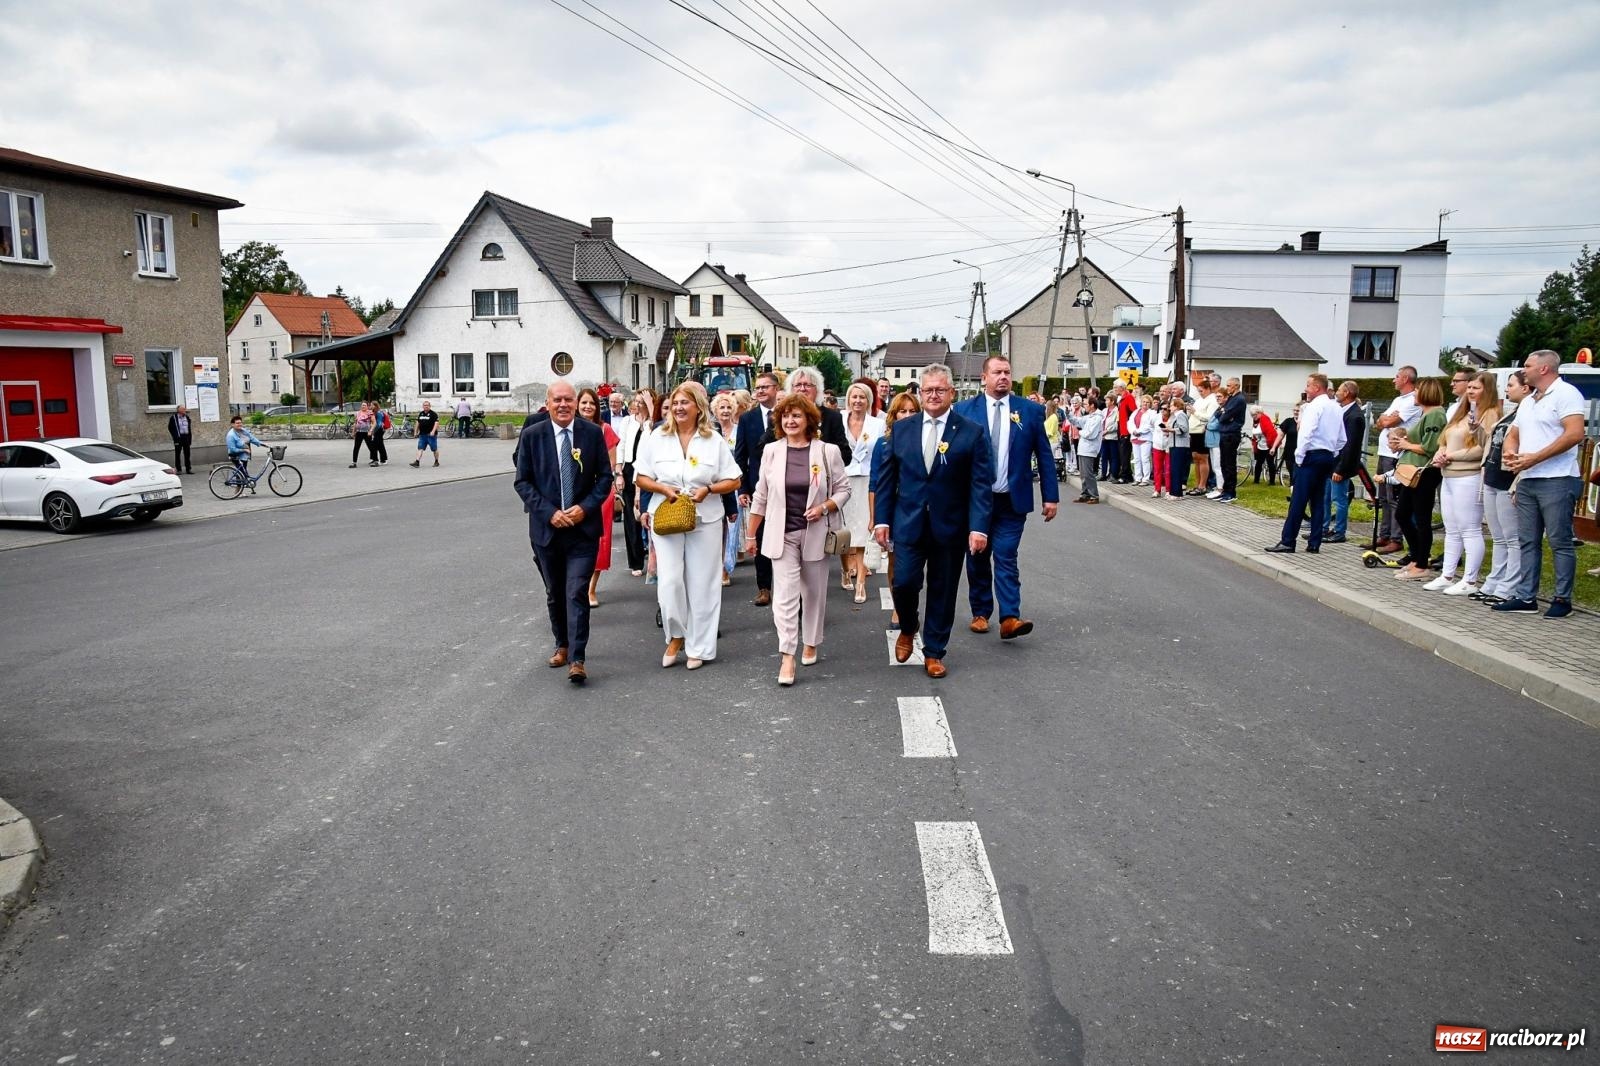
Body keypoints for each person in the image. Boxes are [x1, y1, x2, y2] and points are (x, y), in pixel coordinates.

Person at [873, 364, 991, 679]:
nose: (934, 395)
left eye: (940, 389)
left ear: (951, 393)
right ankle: (909, 627)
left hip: (950, 527)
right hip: (908, 523)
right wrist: (881, 520)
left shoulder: (971, 431)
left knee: (943, 590)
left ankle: (935, 651)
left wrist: (978, 527)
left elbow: (980, 484)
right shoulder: (902, 429)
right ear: (920, 393)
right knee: (905, 582)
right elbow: (887, 481)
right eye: (928, 390)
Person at [634, 383, 742, 668]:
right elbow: (641, 477)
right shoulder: (657, 437)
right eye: (676, 403)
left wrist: (709, 488)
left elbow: (734, 479)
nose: (679, 408)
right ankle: (676, 635)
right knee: (669, 582)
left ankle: (700, 647)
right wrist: (663, 489)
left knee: (703, 583)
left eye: (686, 403)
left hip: (705, 517)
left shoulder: (713, 440)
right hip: (667, 515)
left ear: (698, 408)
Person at [513, 381, 614, 684]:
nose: (564, 404)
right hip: (547, 531)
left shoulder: (592, 433)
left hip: (582, 530)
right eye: (557, 400)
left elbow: (604, 478)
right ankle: (562, 643)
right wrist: (549, 513)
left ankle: (578, 658)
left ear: (575, 402)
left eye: (568, 399)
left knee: (576, 592)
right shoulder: (533, 435)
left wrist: (584, 508)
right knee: (555, 593)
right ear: (548, 402)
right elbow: (523, 482)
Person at [746, 394, 851, 685]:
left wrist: (824, 507)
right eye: (785, 416)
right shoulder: (771, 451)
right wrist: (751, 533)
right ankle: (787, 655)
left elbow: (843, 490)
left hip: (816, 532)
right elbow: (761, 496)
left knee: (813, 593)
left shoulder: (827, 452)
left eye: (796, 416)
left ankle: (812, 641)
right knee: (785, 595)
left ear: (809, 421)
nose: (790, 421)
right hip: (782, 534)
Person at [954, 354, 1058, 639]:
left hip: (1012, 500)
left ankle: (1010, 616)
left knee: (1006, 555)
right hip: (977, 502)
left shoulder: (1030, 411)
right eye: (997, 372)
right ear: (984, 377)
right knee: (977, 556)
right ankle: (980, 611)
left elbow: (1044, 455)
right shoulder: (964, 411)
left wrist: (1051, 496)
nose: (1003, 377)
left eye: (1007, 372)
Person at [1494, 350, 1588, 617]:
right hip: (1528, 478)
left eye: (1528, 365)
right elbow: (1515, 432)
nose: (1524, 370)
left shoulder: (1566, 394)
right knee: (1527, 540)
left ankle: (1562, 598)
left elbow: (1574, 434)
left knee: (1559, 540)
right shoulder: (1528, 401)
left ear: (1545, 368)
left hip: (1557, 477)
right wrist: (1511, 452)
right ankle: (1526, 596)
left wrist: (1535, 457)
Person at [1424, 374, 1497, 594]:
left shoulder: (1489, 414)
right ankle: (1447, 574)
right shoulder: (1460, 412)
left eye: (1477, 388)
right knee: (1452, 528)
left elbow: (1482, 447)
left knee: (1470, 528)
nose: (1472, 391)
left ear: (1487, 390)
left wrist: (1453, 456)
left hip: (1469, 475)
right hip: (1449, 475)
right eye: (1470, 387)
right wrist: (1440, 453)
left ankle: (1470, 580)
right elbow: (1444, 440)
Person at [1265, 374, 1345, 554]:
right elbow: (1342, 439)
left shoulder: (1313, 407)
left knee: (1298, 500)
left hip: (1310, 455)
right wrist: (1332, 453)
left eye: (1308, 385)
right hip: (1327, 456)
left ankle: (1288, 541)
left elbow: (1306, 434)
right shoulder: (1335, 407)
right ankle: (1314, 543)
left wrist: (1299, 457)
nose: (1306, 389)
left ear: (1317, 387)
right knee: (1318, 500)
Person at [1477, 370, 1527, 604]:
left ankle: (1510, 585)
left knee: (1512, 537)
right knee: (1497, 536)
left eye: (1511, 385)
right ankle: (1494, 580)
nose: (1506, 390)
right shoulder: (1510, 414)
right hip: (1493, 478)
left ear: (1525, 388)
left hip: (1508, 481)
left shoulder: (1527, 415)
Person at [872, 392, 921, 629]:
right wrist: (876, 518)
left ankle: (913, 604)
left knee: (915, 565)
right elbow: (876, 483)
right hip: (893, 510)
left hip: (917, 509)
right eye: (903, 411)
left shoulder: (925, 439)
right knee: (896, 561)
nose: (908, 415)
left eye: (912, 411)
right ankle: (898, 608)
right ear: (894, 414)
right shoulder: (883, 443)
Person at [1390, 377, 1447, 581]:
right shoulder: (1426, 415)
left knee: (1422, 518)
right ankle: (1416, 556)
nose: (1413, 394)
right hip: (1413, 471)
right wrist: (1403, 442)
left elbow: (1430, 447)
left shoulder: (1435, 416)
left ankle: (1422, 563)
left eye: (1416, 391)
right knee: (1403, 514)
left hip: (1425, 472)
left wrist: (1406, 445)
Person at [735, 371, 782, 606]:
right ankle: (764, 587)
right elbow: (741, 455)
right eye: (758, 387)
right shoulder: (747, 419)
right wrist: (743, 488)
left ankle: (786, 587)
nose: (761, 391)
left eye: (766, 387)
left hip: (785, 486)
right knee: (760, 538)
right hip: (758, 487)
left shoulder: (786, 414)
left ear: (776, 389)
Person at [840, 380, 886, 604]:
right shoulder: (838, 419)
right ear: (848, 399)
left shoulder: (878, 424)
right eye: (854, 397)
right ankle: (844, 569)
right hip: (843, 480)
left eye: (862, 397)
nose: (857, 401)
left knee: (863, 532)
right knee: (843, 531)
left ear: (868, 401)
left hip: (867, 480)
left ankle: (861, 582)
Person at [577, 388, 621, 608]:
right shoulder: (570, 430)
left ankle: (591, 588)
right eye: (584, 403)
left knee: (599, 541)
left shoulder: (605, 430)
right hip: (576, 493)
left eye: (592, 403)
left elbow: (611, 466)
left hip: (599, 493)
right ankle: (577, 586)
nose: (587, 407)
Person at [1371, 366, 1422, 552]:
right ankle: (1384, 535)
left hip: (1396, 454)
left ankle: (1396, 538)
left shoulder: (1412, 401)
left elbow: (1390, 422)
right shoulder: (1397, 400)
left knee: (1394, 498)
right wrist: (1384, 418)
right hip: (1384, 451)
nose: (1394, 380)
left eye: (1397, 376)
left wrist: (1386, 419)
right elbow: (1380, 421)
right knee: (1383, 497)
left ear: (1406, 378)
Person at [615, 391, 652, 576]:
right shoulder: (627, 422)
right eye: (636, 401)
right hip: (629, 469)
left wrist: (651, 409)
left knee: (647, 512)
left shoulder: (651, 423)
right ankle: (636, 561)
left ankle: (652, 553)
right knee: (631, 516)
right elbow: (620, 446)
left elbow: (656, 432)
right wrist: (619, 472)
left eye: (642, 401)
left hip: (648, 471)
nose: (638, 405)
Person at [1323, 382, 1365, 543]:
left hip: (1341, 465)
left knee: (1339, 499)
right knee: (1325, 496)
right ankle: (1323, 528)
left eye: (1339, 390)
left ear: (1347, 392)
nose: (1336, 393)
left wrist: (1341, 469)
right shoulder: (1341, 411)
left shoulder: (1355, 416)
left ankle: (1339, 531)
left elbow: (1351, 446)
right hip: (1331, 463)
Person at [712, 392, 744, 587]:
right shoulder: (710, 431)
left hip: (733, 485)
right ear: (715, 411)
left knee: (730, 529)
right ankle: (714, 567)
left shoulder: (740, 431)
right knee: (716, 529)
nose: (725, 411)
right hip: (715, 486)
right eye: (721, 407)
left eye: (728, 407)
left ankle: (726, 568)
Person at [1212, 378, 1247, 501]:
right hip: (1224, 433)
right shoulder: (1231, 398)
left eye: (1229, 385)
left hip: (1232, 434)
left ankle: (1231, 492)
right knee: (1223, 463)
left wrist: (1224, 414)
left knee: (1229, 464)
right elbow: (1218, 414)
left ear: (1236, 386)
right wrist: (1223, 413)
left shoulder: (1239, 399)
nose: (1227, 388)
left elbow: (1225, 416)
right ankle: (1225, 489)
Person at [1063, 397, 1104, 503]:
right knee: (1083, 473)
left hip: (1090, 448)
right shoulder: (1089, 417)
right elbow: (1077, 421)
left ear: (1092, 405)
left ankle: (1094, 495)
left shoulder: (1097, 418)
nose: (1084, 406)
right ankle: (1085, 493)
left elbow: (1090, 434)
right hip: (1083, 447)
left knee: (1088, 473)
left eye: (1086, 404)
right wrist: (1069, 414)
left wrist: (1080, 432)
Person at [1188, 379, 1218, 495]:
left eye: (1201, 391)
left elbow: (1209, 417)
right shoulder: (1199, 400)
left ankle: (1203, 485)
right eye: (1198, 391)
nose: (1200, 393)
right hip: (1193, 430)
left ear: (1207, 389)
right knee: (1195, 457)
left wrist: (1195, 412)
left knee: (1203, 458)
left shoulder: (1212, 400)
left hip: (1202, 431)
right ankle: (1197, 483)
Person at [225, 416, 265, 487]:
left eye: (240, 423)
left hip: (244, 456)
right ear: (232, 424)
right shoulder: (231, 435)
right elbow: (232, 449)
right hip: (235, 456)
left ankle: (239, 490)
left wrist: (262, 444)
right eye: (237, 423)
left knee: (242, 473)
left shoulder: (243, 431)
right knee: (241, 473)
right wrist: (244, 450)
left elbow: (252, 438)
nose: (239, 424)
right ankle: (238, 491)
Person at [1165, 398, 1191, 500]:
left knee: (1177, 469)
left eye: (1171, 405)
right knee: (1174, 469)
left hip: (1180, 445)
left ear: (1176, 406)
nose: (1170, 407)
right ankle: (1174, 492)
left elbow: (1183, 428)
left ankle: (1177, 493)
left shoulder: (1181, 415)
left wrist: (1171, 429)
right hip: (1174, 444)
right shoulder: (1174, 416)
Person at [1129, 395, 1155, 485]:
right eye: (1144, 402)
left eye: (1147, 402)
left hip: (1145, 438)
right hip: (1135, 438)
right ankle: (1137, 477)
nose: (1145, 404)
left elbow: (1149, 425)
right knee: (1136, 459)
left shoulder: (1152, 413)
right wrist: (1133, 431)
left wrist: (1139, 431)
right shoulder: (1136, 412)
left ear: (1150, 404)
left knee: (1145, 459)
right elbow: (1130, 422)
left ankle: (1145, 479)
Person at [1149, 395, 1172, 498]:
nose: (1163, 411)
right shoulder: (1156, 417)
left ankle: (1168, 489)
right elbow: (1150, 426)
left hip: (1168, 445)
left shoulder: (1173, 418)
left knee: (1168, 469)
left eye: (1166, 409)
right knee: (1157, 469)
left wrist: (1169, 432)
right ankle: (1157, 489)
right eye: (1162, 408)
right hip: (1157, 444)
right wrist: (1155, 435)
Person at [409, 400, 440, 467]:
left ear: (429, 406)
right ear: (423, 406)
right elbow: (418, 423)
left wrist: (433, 431)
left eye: (427, 405)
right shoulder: (421, 413)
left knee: (434, 449)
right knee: (420, 448)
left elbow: (436, 423)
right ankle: (417, 462)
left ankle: (436, 461)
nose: (426, 406)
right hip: (422, 435)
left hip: (431, 435)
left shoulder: (433, 414)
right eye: (424, 405)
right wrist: (415, 431)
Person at [166, 405, 194, 474]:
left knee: (187, 454)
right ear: (179, 410)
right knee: (177, 454)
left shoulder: (187, 417)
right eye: (184, 409)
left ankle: (188, 469)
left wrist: (189, 438)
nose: (185, 410)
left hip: (186, 437)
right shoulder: (174, 418)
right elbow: (170, 428)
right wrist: (175, 436)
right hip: (178, 438)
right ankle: (178, 469)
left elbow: (189, 428)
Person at [350, 401, 375, 468]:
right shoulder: (358, 413)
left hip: (367, 432)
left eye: (364, 405)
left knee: (370, 446)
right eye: (362, 405)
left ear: (367, 406)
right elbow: (355, 423)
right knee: (356, 447)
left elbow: (374, 423)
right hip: (359, 432)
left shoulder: (370, 413)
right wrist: (353, 432)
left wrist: (371, 430)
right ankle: (354, 462)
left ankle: (375, 460)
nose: (363, 406)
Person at [369, 400, 390, 465]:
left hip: (379, 430)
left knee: (375, 445)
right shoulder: (374, 412)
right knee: (380, 445)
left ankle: (376, 460)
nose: (370, 406)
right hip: (378, 430)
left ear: (375, 406)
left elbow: (379, 424)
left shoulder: (379, 413)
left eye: (372, 405)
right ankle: (383, 460)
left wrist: (373, 431)